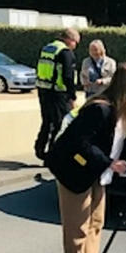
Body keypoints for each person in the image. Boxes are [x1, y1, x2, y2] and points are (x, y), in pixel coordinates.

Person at [47, 62, 126, 253]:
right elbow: (79, 142)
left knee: (96, 223)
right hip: (75, 172)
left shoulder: (125, 111)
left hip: (97, 173)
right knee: (77, 226)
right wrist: (109, 163)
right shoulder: (99, 109)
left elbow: (120, 142)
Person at [34, 28, 80, 161]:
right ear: (69, 40)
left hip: (44, 90)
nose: (75, 46)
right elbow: (68, 76)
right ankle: (54, 155)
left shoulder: (48, 48)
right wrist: (72, 96)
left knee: (47, 122)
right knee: (60, 124)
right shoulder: (65, 52)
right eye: (75, 42)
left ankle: (40, 150)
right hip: (59, 93)